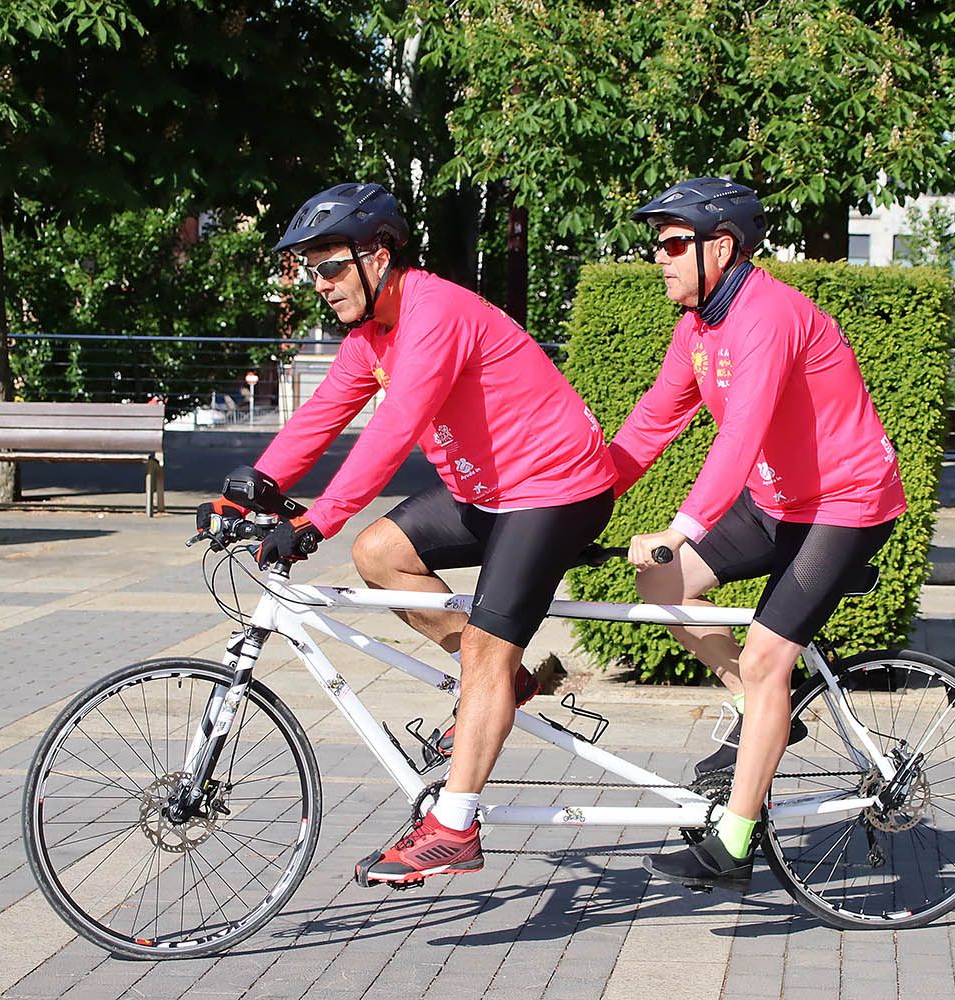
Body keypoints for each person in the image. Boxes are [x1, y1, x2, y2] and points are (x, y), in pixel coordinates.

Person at [201, 182, 616, 885]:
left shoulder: (435, 312)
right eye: (311, 271)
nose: (320, 284)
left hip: (555, 490)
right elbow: (322, 415)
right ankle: (505, 685)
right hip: (486, 492)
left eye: (330, 267)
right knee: (379, 553)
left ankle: (454, 827)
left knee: (483, 644)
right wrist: (245, 493)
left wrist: (314, 522)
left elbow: (393, 431)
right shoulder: (373, 336)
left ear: (379, 255)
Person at [608, 177, 908, 890]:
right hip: (778, 501)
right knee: (660, 584)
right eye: (659, 245)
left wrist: (682, 527)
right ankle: (760, 710)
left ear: (723, 248)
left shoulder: (766, 315)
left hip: (846, 503)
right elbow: (653, 419)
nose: (661, 257)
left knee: (772, 658)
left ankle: (735, 841)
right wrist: (580, 498)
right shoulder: (698, 327)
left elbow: (740, 434)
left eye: (675, 244)